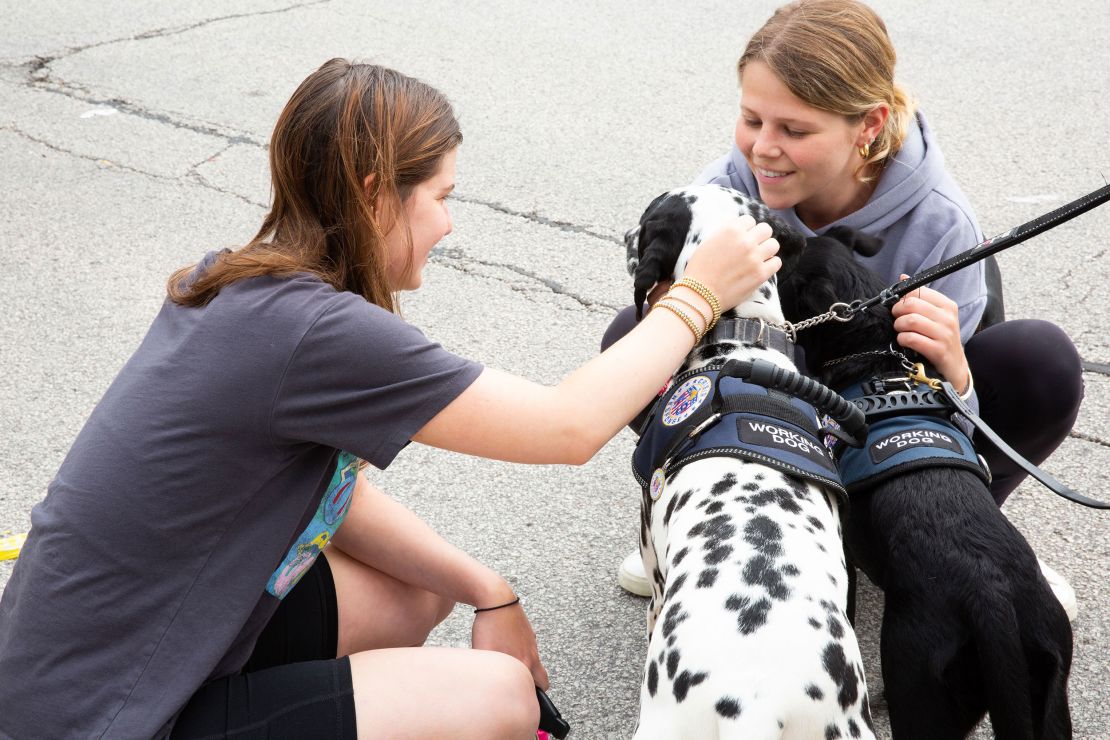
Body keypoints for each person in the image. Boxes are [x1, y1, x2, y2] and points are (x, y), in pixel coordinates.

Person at [0, 59, 784, 739]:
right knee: (502, 701)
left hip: (93, 658)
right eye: (440, 196)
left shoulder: (244, 283)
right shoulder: (314, 332)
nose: (448, 223)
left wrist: (488, 590)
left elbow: (333, 496)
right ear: (377, 193)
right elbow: (568, 426)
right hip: (103, 717)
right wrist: (697, 297)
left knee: (413, 594)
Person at [609, 0, 1083, 621]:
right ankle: (718, 515)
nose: (763, 149)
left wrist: (954, 370)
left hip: (890, 424)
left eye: (794, 130)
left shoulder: (941, 223)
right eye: (751, 119)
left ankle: (969, 540)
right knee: (632, 338)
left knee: (1038, 360)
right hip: (772, 420)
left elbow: (950, 412)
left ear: (868, 125)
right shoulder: (719, 193)